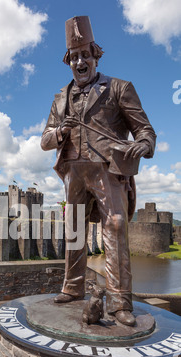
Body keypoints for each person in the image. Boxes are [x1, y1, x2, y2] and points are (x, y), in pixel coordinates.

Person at [41, 16, 156, 326]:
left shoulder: (119, 88)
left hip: (109, 171)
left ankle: (120, 302)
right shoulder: (60, 99)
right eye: (74, 57)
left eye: (85, 55)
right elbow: (45, 140)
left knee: (116, 226)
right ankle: (72, 287)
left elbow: (145, 131)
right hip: (73, 173)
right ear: (69, 61)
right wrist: (60, 132)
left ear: (95, 56)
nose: (80, 61)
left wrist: (143, 146)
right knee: (74, 230)